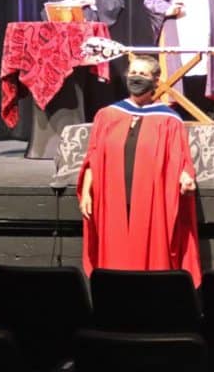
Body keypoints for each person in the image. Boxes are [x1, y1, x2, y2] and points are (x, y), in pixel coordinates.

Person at [77, 55, 201, 285]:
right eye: (133, 73)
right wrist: (86, 192)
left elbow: (180, 157)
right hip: (112, 198)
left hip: (151, 201)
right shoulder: (107, 116)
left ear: (155, 81)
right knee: (114, 250)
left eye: (143, 74)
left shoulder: (168, 121)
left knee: (150, 249)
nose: (136, 78)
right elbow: (93, 157)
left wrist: (186, 177)